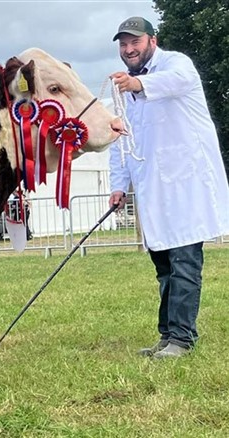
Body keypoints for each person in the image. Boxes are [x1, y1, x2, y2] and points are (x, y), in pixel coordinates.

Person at [108, 17, 229, 359]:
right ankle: (167, 335)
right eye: (123, 44)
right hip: (153, 190)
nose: (129, 49)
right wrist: (119, 186)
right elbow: (121, 142)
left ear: (152, 41)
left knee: (184, 262)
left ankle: (182, 339)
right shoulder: (123, 91)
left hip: (187, 184)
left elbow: (176, 82)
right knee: (164, 265)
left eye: (135, 42)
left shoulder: (177, 64)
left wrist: (137, 85)